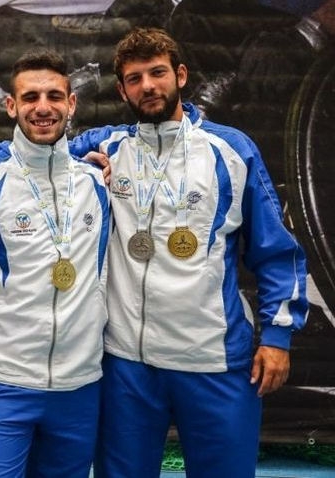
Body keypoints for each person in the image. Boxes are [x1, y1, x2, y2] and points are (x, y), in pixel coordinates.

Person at [70, 27, 309, 477]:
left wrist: (277, 339)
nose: (148, 86)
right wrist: (72, 171)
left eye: (157, 73)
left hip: (213, 359)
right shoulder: (106, 146)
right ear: (122, 90)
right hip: (127, 364)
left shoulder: (232, 150)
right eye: (135, 78)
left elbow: (277, 253)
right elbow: (27, 158)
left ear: (180, 75)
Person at [0, 49, 110, 477]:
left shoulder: (97, 183)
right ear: (11, 105)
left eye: (54, 96)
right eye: (30, 97)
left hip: (78, 386)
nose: (43, 107)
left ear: (71, 103)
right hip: (0, 383)